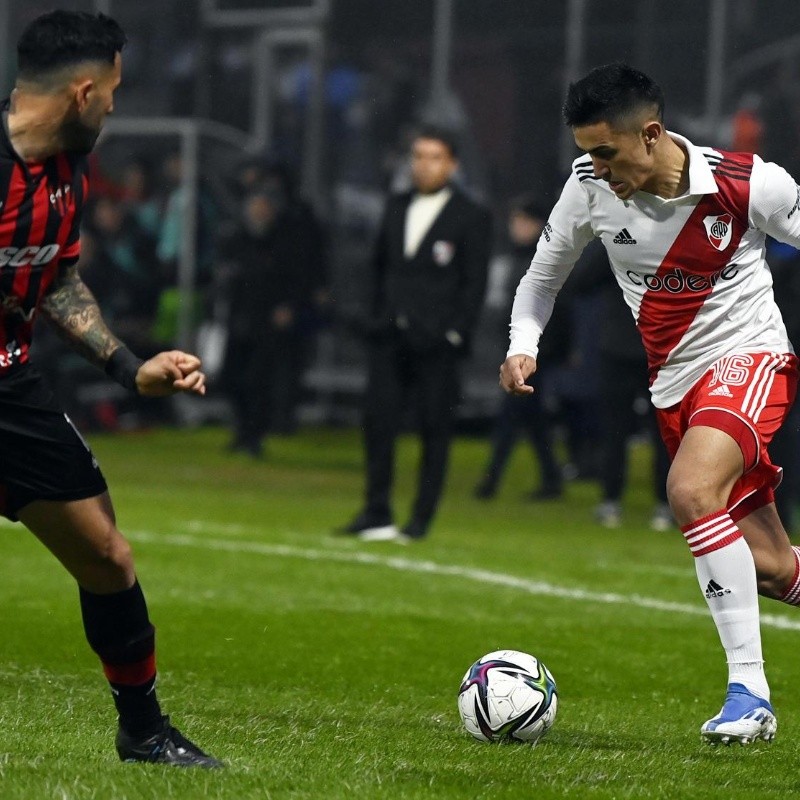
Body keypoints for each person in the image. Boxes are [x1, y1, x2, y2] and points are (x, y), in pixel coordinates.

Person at [500, 62, 800, 746]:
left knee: (691, 492)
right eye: (585, 154)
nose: (596, 168)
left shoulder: (749, 183)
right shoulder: (586, 190)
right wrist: (525, 345)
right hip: (675, 390)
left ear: (653, 133)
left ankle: (748, 695)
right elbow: (540, 280)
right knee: (775, 568)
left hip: (750, 361)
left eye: (605, 152)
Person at [2, 10, 221, 766]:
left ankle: (144, 731)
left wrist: (129, 367)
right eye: (115, 92)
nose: (117, 107)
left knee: (106, 557)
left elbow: (56, 275)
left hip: (8, 394)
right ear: (83, 90)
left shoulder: (65, 168)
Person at [341, 124, 492, 542]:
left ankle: (421, 517)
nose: (423, 165)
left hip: (435, 341)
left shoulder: (471, 215)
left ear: (452, 164)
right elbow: (378, 267)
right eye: (418, 156)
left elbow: (473, 283)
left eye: (434, 157)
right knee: (378, 423)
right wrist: (374, 318)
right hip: (390, 335)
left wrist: (455, 333)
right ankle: (376, 510)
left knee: (434, 428)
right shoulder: (395, 205)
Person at [567, 240, 673, 530]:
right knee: (658, 431)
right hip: (656, 348)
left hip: (636, 347)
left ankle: (615, 501)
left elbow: (581, 282)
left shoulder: (618, 235)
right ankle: (659, 505)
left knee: (623, 429)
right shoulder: (673, 231)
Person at [473, 195, 568, 501]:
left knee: (511, 415)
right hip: (522, 350)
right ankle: (551, 478)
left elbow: (557, 308)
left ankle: (490, 481)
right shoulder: (516, 257)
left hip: (533, 353)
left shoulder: (544, 260)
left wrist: (547, 348)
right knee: (530, 418)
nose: (517, 226)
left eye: (524, 221)